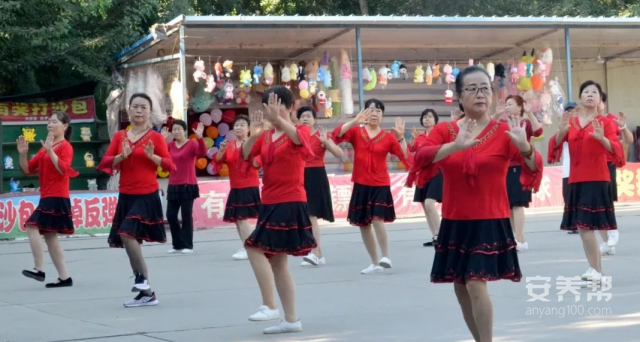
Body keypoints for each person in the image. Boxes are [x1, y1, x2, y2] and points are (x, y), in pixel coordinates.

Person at [407, 66, 542, 342]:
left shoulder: (505, 131)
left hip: (489, 220)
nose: (480, 94)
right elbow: (421, 156)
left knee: (475, 283)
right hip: (455, 221)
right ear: (459, 96)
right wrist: (455, 147)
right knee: (460, 287)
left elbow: (533, 165)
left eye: (485, 88)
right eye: (472, 89)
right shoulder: (445, 131)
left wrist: (525, 147)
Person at [240, 86, 316, 334]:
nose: (272, 111)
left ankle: (270, 305)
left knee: (253, 246)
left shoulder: (299, 129)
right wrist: (254, 133)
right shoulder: (265, 136)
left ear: (290, 108)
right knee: (278, 262)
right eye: (268, 107)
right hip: (269, 201)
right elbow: (246, 156)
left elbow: (301, 141)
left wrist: (280, 119)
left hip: (290, 200)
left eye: (278, 106)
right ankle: (291, 320)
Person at [97, 93, 176, 308]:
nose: (138, 110)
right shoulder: (120, 136)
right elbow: (104, 163)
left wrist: (153, 158)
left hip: (147, 194)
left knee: (126, 233)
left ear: (150, 113)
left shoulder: (156, 137)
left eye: (143, 107)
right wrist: (121, 156)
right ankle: (147, 292)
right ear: (128, 110)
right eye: (135, 107)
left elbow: (170, 165)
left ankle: (141, 280)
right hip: (126, 195)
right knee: (127, 237)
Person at [548, 80, 624, 283]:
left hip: (597, 179)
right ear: (580, 98)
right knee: (585, 227)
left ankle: (595, 270)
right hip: (575, 180)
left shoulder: (604, 122)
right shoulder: (570, 122)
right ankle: (597, 271)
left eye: (594, 92)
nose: (590, 94)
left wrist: (602, 139)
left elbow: (617, 150)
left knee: (585, 227)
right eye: (586, 92)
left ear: (600, 99)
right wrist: (561, 132)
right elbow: (553, 148)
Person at [332, 99, 411, 274]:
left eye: (378, 111)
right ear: (365, 113)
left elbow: (405, 158)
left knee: (376, 219)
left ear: (382, 115)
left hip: (380, 184)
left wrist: (401, 138)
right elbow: (336, 136)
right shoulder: (356, 132)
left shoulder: (389, 137)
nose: (375, 113)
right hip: (361, 184)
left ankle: (386, 257)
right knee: (363, 224)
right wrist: (354, 121)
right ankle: (374, 262)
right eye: (371, 110)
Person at [17, 112, 79, 288]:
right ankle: (64, 277)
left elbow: (63, 169)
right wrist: (22, 154)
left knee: (31, 225)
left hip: (57, 195)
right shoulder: (45, 146)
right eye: (49, 122)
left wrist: (51, 151)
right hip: (47, 195)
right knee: (50, 236)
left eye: (54, 122)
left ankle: (39, 268)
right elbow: (28, 169)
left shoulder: (65, 147)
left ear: (65, 126)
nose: (50, 125)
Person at [297, 106, 343, 267]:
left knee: (311, 215)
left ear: (314, 120)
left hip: (316, 176)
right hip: (298, 176)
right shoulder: (296, 136)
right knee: (305, 216)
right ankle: (319, 254)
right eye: (302, 116)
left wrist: (327, 143)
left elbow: (339, 154)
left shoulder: (321, 135)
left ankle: (315, 251)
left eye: (309, 116)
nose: (305, 118)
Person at [498, 95, 543, 251]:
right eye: (506, 104)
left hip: (520, 166)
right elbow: (487, 131)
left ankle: (520, 237)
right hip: (504, 168)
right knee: (509, 205)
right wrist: (496, 115)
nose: (507, 107)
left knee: (517, 204)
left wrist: (530, 113)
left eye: (511, 104)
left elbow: (539, 132)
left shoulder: (525, 123)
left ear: (519, 107)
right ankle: (513, 237)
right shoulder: (502, 124)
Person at [214, 114, 262, 261]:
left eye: (242, 125)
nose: (238, 127)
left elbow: (258, 162)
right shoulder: (228, 144)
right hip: (235, 186)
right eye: (236, 125)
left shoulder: (253, 143)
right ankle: (246, 246)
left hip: (248, 185)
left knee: (242, 219)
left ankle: (250, 248)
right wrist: (221, 150)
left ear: (249, 129)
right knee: (237, 219)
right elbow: (217, 163)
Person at [163, 120, 207, 254]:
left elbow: (203, 153)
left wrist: (200, 137)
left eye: (179, 129)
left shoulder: (192, 144)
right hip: (173, 184)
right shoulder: (170, 145)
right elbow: (161, 155)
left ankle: (188, 245)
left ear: (184, 130)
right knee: (170, 215)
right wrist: (162, 139)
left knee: (186, 215)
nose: (176, 132)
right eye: (174, 129)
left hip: (188, 184)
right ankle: (177, 244)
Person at [597, 92, 632, 254]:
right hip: (590, 167)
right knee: (596, 206)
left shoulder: (611, 120)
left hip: (607, 165)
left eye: (599, 101)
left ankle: (611, 233)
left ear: (603, 103)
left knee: (606, 203)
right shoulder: (585, 121)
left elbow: (629, 140)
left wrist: (623, 127)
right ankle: (605, 241)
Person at [409, 109, 442, 247]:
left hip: (437, 171)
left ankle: (441, 235)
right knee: (424, 205)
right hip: (422, 173)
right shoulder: (419, 138)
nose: (427, 119)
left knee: (429, 203)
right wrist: (412, 139)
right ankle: (435, 235)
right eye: (424, 117)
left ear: (435, 120)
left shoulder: (440, 134)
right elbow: (411, 151)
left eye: (429, 117)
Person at [558, 102, 579, 235]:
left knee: (579, 196)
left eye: (573, 111)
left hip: (579, 168)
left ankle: (581, 222)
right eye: (568, 111)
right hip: (567, 169)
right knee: (568, 196)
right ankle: (572, 224)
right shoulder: (564, 127)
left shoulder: (582, 126)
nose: (571, 113)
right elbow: (557, 141)